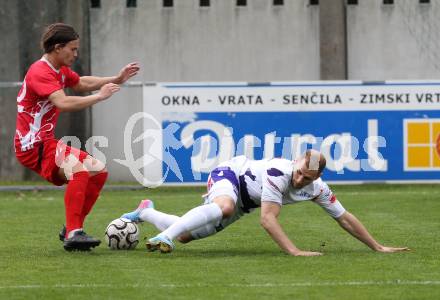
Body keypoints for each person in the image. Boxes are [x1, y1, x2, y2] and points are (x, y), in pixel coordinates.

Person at [122, 150, 409, 256]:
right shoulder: (278, 173)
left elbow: (344, 217)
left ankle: (146, 212)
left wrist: (377, 246)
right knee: (224, 206)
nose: (298, 181)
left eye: (306, 179)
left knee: (187, 235)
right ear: (295, 163)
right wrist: (294, 251)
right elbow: (268, 219)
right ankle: (164, 237)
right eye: (298, 173)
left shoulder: (318, 188)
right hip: (230, 174)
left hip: (245, 202)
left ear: (317, 178)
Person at [15, 23, 140, 251]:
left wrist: (117, 78)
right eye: (72, 49)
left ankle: (72, 229)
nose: (75, 54)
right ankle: (74, 233)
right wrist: (100, 97)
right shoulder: (40, 71)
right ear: (57, 47)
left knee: (98, 171)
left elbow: (81, 83)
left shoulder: (59, 70)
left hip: (46, 142)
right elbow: (63, 102)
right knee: (79, 169)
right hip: (33, 146)